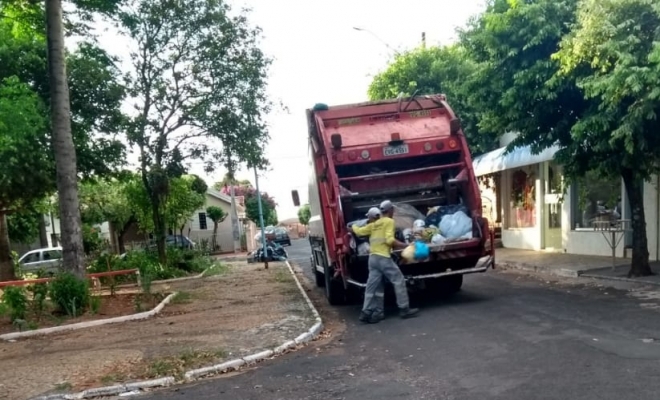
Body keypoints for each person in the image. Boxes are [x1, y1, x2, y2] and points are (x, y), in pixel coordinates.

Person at [352, 200, 419, 323]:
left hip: (372, 259)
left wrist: (353, 226)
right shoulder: (389, 221)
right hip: (383, 258)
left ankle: (367, 311)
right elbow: (389, 240)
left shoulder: (373, 224)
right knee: (398, 280)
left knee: (373, 286)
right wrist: (406, 245)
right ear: (391, 210)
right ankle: (404, 309)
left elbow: (359, 231)